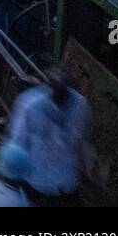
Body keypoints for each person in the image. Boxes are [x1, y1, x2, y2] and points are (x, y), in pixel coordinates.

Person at [5, 69, 89, 206]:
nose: (61, 95)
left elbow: (80, 141)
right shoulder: (31, 105)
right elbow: (17, 143)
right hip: (38, 182)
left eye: (64, 91)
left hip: (65, 183)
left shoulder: (80, 105)